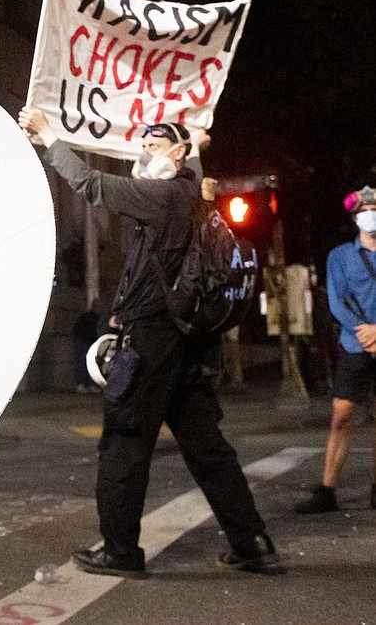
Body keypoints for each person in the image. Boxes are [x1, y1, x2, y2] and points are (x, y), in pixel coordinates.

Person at [17, 106, 283, 577]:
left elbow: (91, 185)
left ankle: (120, 551)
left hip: (153, 340)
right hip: (186, 342)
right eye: (141, 147)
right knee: (207, 448)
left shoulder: (161, 195)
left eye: (154, 147)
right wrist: (198, 148)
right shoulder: (191, 191)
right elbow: (187, 179)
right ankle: (252, 542)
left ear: (176, 153)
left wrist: (49, 136)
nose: (144, 155)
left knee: (124, 442)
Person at [294, 185, 376, 513]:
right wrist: (368, 335)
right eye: (365, 210)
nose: (371, 215)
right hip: (355, 345)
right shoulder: (340, 256)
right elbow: (337, 301)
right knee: (341, 416)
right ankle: (328, 489)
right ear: (355, 217)